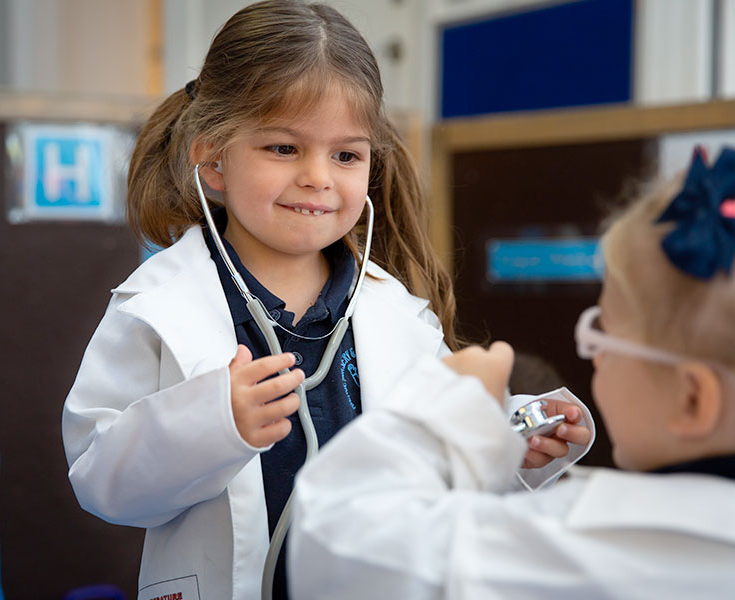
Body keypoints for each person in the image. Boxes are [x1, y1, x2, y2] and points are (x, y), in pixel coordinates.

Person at [61, 2, 592, 599]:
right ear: (212, 160)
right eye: (283, 148)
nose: (318, 177)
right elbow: (100, 479)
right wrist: (212, 423)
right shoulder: (156, 307)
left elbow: (443, 450)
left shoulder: (398, 316)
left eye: (345, 155)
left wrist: (511, 442)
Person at [289, 146, 735, 599]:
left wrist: (449, 413)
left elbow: (338, 547)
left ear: (693, 399)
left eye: (604, 332)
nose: (595, 355)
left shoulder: (591, 555)